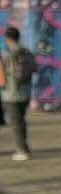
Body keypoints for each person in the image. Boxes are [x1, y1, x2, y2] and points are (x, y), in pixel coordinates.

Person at [0, 26, 36, 161]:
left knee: (16, 123)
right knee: (21, 120)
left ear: (7, 38)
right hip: (25, 92)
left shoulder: (5, 53)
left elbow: (1, 76)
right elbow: (34, 68)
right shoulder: (26, 52)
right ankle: (24, 147)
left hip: (10, 93)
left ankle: (21, 150)